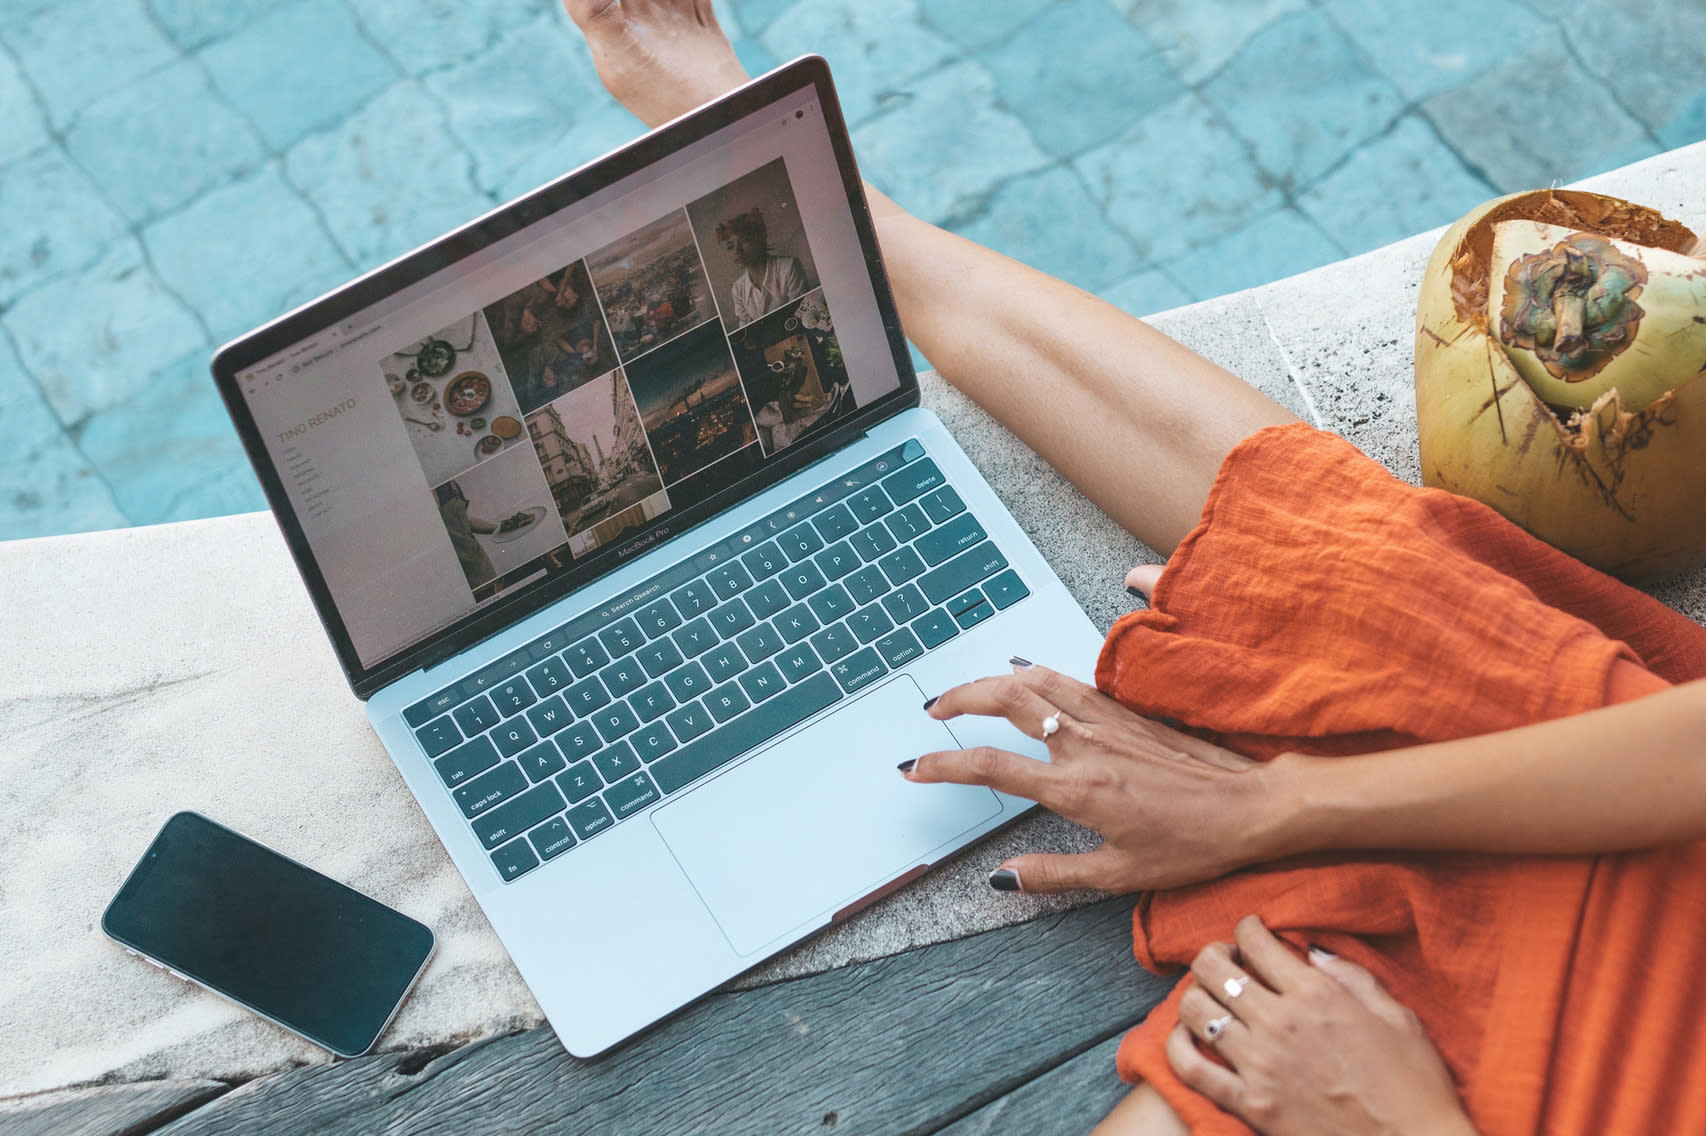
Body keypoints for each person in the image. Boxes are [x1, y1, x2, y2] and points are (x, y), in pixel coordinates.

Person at [562, 4, 1706, 1133]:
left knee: (1364, 595)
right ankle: (838, 205)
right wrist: (1274, 804)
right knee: (1363, 569)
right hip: (1638, 838)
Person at [717, 206, 806, 324]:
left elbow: (803, 313)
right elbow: (745, 325)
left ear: (761, 238)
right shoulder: (738, 289)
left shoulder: (789, 267)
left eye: (744, 241)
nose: (737, 250)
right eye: (730, 246)